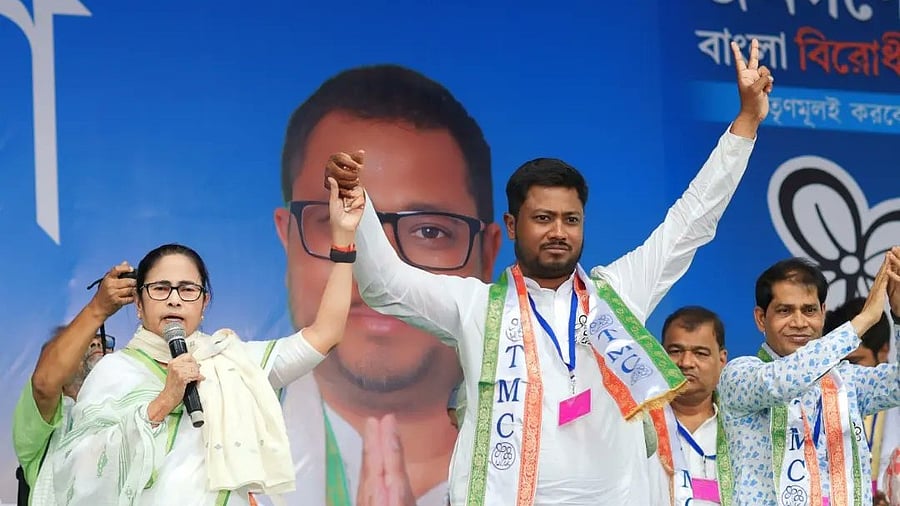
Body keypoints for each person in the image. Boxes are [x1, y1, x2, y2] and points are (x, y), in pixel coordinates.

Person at [328, 39, 773, 506]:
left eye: (571, 220)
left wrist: (744, 124)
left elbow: (691, 223)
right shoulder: (477, 307)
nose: (558, 232)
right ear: (513, 226)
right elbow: (385, 286)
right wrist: (360, 212)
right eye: (543, 219)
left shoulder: (616, 294)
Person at [29, 178, 362, 506]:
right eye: (160, 288)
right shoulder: (113, 372)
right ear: (140, 306)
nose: (174, 300)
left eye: (188, 290)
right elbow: (81, 473)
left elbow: (325, 334)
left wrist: (344, 239)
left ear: (204, 306)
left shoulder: (233, 363)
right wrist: (162, 403)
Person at [273, 64, 501, 505]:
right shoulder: (214, 433)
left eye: (429, 231)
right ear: (287, 237)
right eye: (339, 220)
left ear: (487, 254)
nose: (378, 272)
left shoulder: (556, 443)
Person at [717, 249, 900, 505]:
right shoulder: (740, 375)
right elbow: (784, 380)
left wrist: (899, 318)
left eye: (809, 310)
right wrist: (864, 321)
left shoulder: (844, 382)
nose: (799, 322)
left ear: (823, 313)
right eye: (785, 311)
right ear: (761, 318)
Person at [13, 264, 135, 506]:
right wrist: (98, 309)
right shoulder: (43, 425)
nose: (94, 344)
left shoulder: (134, 406)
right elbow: (45, 383)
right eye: (81, 344)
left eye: (100, 340)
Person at [825, 297, 895, 503]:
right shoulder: (819, 404)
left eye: (854, 362)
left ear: (883, 351)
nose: (844, 373)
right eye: (838, 364)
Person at [661, 306, 728, 506]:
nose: (686, 363)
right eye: (675, 351)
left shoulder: (742, 428)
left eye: (700, 353)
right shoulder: (639, 423)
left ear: (722, 359)